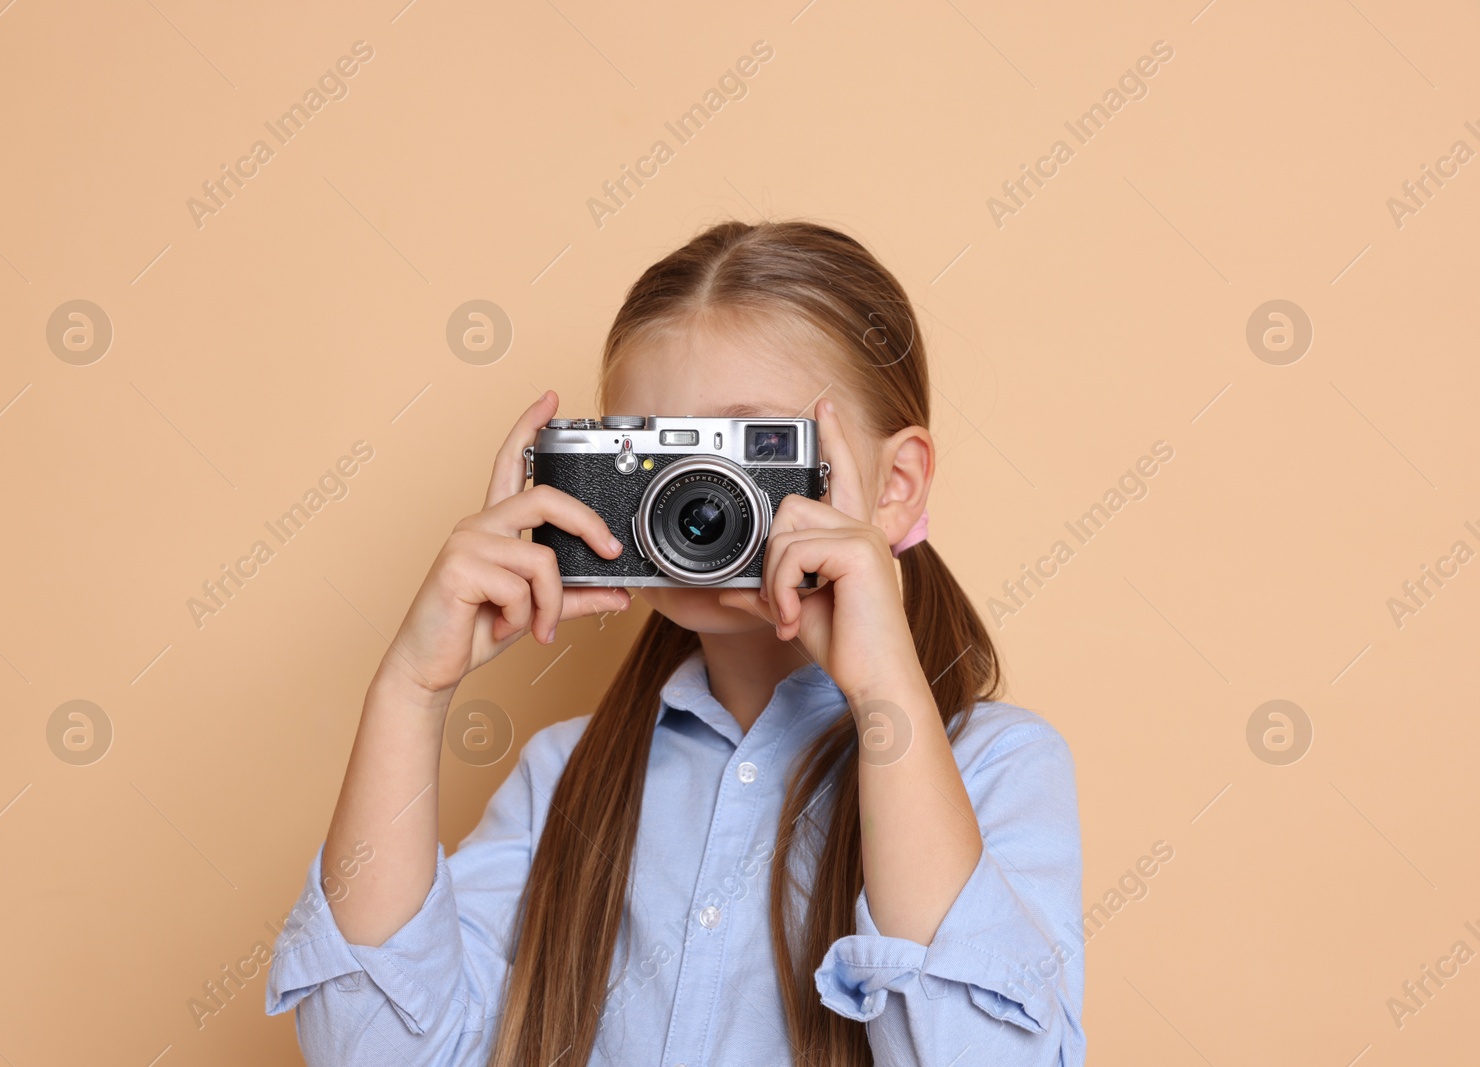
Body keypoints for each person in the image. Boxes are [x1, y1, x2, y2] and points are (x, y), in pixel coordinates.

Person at [265, 220, 1085, 1066]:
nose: (699, 498)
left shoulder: (997, 766)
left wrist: (886, 694)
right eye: (654, 451)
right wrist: (410, 691)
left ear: (897, 485)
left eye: (748, 449)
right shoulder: (563, 780)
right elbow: (373, 1052)